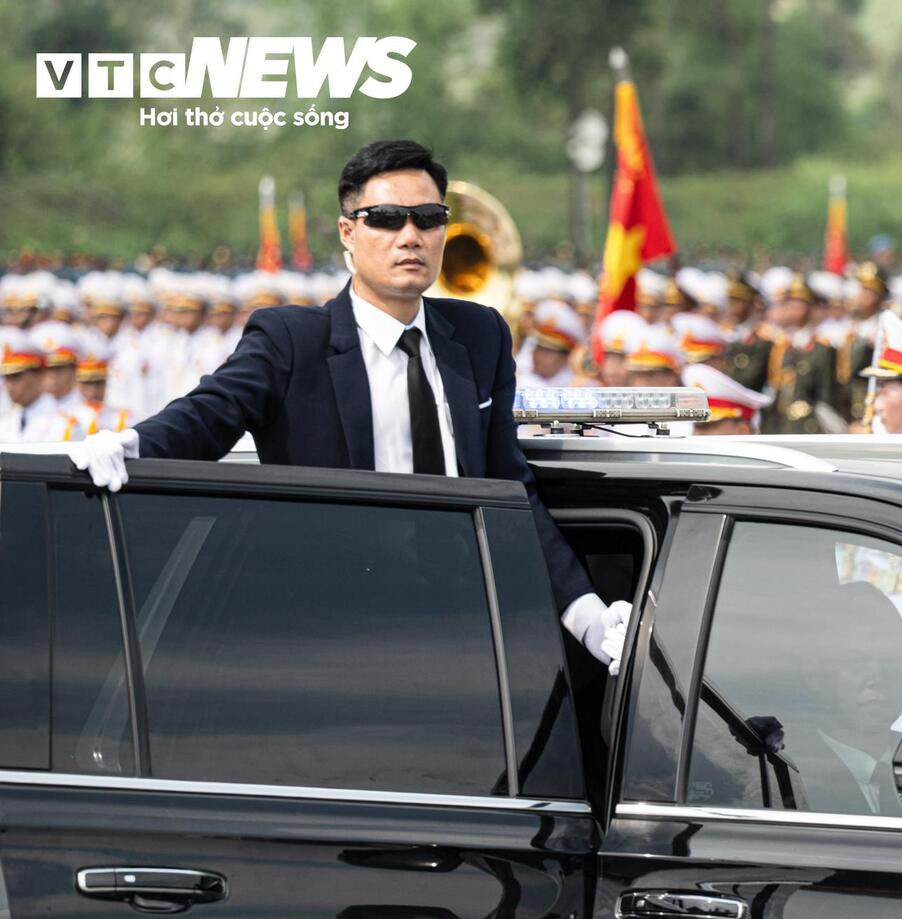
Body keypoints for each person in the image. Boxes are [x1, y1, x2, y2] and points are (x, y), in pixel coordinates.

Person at [67, 139, 631, 673]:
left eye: (428, 218)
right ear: (347, 233)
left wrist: (586, 615)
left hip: (473, 634)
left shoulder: (479, 335)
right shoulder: (294, 340)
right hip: (339, 644)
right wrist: (131, 443)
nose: (410, 236)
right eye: (387, 219)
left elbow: (512, 489)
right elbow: (210, 413)